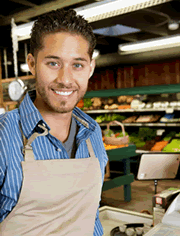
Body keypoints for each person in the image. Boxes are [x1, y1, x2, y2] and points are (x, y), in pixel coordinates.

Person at [0, 9, 108, 235]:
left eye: (77, 65)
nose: (65, 79)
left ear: (90, 68)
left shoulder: (92, 132)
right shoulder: (3, 136)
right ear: (31, 63)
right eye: (53, 63)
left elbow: (90, 215)